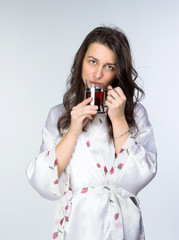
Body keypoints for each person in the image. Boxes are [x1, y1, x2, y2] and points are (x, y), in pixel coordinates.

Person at [26, 26, 157, 240]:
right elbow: (42, 181)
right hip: (79, 224)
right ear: (81, 63)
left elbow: (138, 177)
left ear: (118, 72)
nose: (97, 74)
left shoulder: (135, 114)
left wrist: (118, 118)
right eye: (92, 62)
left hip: (121, 225)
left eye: (109, 66)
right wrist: (74, 129)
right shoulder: (59, 115)